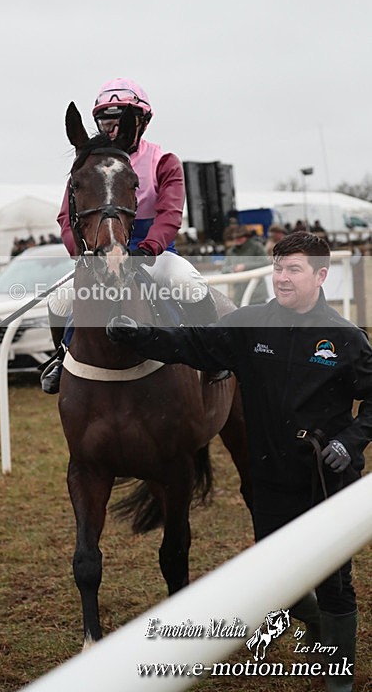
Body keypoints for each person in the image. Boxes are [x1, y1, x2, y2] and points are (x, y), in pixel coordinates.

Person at [107, 232, 372, 691]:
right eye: (278, 268)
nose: (282, 278)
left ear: (321, 275)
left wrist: (349, 442)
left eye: (294, 270)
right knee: (277, 582)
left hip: (327, 480)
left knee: (333, 582)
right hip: (268, 476)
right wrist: (138, 336)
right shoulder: (249, 325)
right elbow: (190, 345)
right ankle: (312, 625)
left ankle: (338, 679)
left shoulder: (346, 339)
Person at [40, 77, 221, 393]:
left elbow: (170, 215)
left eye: (120, 119)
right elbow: (66, 218)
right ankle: (62, 357)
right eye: (105, 119)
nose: (112, 127)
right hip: (99, 252)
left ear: (141, 121)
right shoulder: (88, 163)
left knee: (189, 285)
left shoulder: (163, 161)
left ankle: (214, 353)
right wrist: (81, 253)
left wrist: (147, 248)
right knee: (58, 298)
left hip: (153, 253)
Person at [220, 225, 270, 305]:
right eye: (235, 237)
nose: (237, 240)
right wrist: (233, 269)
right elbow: (224, 270)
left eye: (240, 237)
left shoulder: (256, 247)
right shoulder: (231, 251)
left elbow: (265, 262)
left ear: (246, 237)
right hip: (238, 295)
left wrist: (245, 267)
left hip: (257, 294)